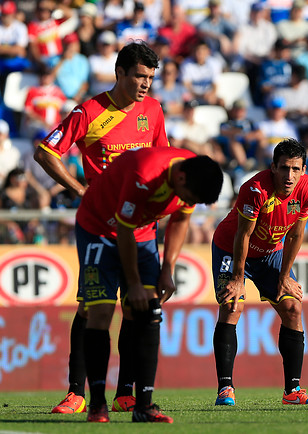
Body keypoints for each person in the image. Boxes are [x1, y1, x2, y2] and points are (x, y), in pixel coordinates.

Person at [34, 41, 170, 416]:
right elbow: (46, 151)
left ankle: (127, 393)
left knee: (138, 308)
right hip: (100, 229)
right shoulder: (90, 111)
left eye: (150, 78)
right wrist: (81, 190)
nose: (145, 85)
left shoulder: (153, 110)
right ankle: (77, 393)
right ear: (120, 73)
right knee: (93, 309)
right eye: (139, 76)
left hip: (140, 227)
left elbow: (162, 160)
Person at [75, 147, 224, 423]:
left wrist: (167, 268)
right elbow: (122, 229)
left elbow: (180, 219)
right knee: (101, 312)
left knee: (150, 310)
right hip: (98, 228)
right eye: (189, 197)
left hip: (140, 234)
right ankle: (97, 403)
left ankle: (143, 405)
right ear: (179, 179)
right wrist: (132, 284)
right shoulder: (144, 174)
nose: (186, 202)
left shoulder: (191, 174)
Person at [211, 138, 308, 407]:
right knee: (231, 306)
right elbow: (243, 234)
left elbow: (296, 233)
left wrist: (284, 277)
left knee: (293, 308)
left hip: (271, 252)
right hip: (232, 249)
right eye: (284, 168)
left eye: (296, 169)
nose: (289, 175)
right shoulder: (255, 189)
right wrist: (238, 279)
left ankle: (292, 391)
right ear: (273, 167)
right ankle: (226, 388)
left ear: (304, 170)